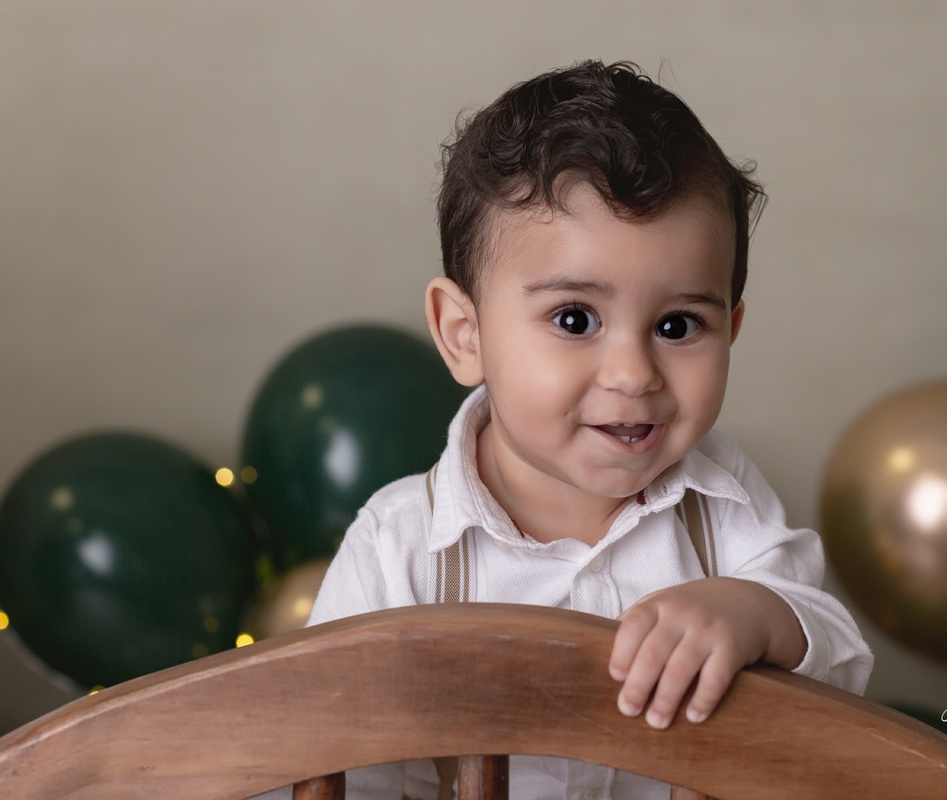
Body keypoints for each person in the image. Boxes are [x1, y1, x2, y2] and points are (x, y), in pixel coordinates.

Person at [284, 60, 872, 799]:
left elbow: (843, 669)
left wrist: (756, 611)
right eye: (574, 319)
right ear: (464, 334)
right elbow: (321, 752)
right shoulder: (400, 546)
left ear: (733, 331)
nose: (633, 373)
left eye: (677, 324)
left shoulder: (722, 509)